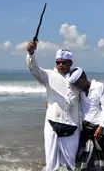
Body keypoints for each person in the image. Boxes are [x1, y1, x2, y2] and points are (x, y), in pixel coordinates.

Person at [26, 41, 82, 171]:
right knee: (51, 162)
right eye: (58, 62)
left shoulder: (78, 78)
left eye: (63, 62)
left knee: (70, 163)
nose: (60, 65)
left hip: (72, 124)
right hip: (52, 122)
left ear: (71, 63)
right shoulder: (48, 75)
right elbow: (34, 69)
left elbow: (87, 101)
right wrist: (31, 53)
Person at [67, 67, 104, 170]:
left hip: (100, 125)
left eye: (77, 82)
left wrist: (101, 126)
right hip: (86, 126)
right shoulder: (79, 91)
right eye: (74, 83)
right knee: (82, 155)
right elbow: (69, 100)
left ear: (84, 77)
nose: (76, 85)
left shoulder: (99, 86)